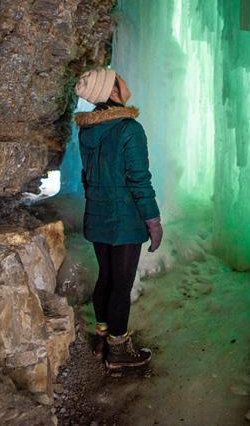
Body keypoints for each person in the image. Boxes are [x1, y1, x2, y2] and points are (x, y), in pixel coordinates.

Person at [74, 67, 163, 370]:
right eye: (120, 81)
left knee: (107, 277)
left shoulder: (87, 130)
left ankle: (102, 338)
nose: (126, 84)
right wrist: (152, 221)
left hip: (97, 215)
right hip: (124, 219)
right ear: (113, 92)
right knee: (121, 285)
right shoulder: (129, 129)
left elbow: (87, 177)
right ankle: (119, 349)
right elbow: (139, 179)